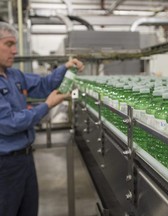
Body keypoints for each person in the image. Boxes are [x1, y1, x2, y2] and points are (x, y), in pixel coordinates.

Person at [0, 22, 84, 216]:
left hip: (26, 159)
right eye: (9, 44)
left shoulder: (14, 75)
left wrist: (65, 68)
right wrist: (47, 105)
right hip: (5, 165)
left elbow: (44, 84)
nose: (15, 50)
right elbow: (9, 123)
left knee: (29, 211)